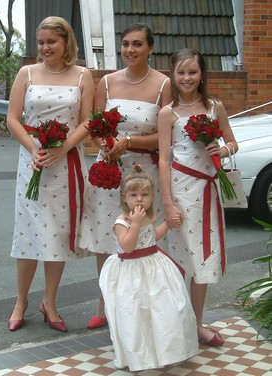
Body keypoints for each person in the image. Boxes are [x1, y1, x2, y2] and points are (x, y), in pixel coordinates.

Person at [78, 23, 172, 329]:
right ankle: (104, 304)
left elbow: (165, 133)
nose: (129, 50)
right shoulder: (107, 81)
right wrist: (108, 145)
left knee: (142, 238)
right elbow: (97, 123)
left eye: (137, 44)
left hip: (143, 173)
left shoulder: (163, 84)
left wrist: (129, 142)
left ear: (150, 48)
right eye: (125, 44)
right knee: (109, 238)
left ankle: (143, 305)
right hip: (110, 171)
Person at [6, 16, 95, 332]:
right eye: (41, 42)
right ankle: (21, 300)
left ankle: (50, 301)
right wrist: (34, 149)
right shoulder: (26, 74)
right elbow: (13, 119)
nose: (45, 48)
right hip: (32, 160)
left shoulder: (83, 76)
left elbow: (87, 121)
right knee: (29, 231)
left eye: (51, 42)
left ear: (66, 42)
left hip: (66, 163)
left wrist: (63, 148)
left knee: (57, 232)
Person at [158, 48, 238, 346]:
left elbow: (232, 141)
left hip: (208, 191)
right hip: (180, 192)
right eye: (181, 72)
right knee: (182, 258)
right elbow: (164, 159)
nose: (187, 78)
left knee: (203, 258)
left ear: (202, 74)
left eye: (192, 72)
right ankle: (177, 324)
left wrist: (224, 149)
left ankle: (196, 322)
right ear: (173, 75)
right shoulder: (168, 113)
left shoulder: (214, 107)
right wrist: (167, 202)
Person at [99, 166, 199, 371]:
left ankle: (165, 349)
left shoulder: (146, 216)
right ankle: (139, 354)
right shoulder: (122, 221)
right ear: (124, 197)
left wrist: (168, 225)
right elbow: (127, 245)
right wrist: (135, 224)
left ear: (152, 197)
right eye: (133, 194)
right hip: (132, 272)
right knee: (137, 311)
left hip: (154, 267)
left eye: (145, 195)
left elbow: (152, 236)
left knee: (161, 309)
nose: (139, 199)